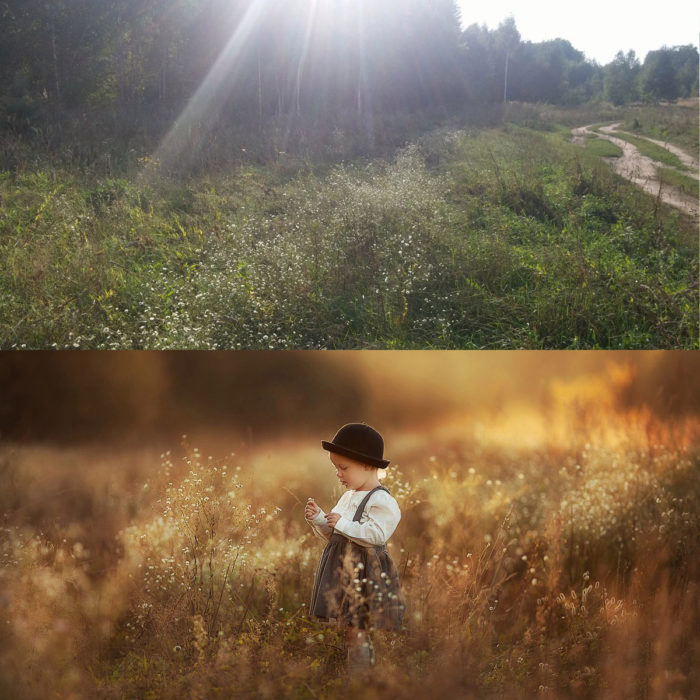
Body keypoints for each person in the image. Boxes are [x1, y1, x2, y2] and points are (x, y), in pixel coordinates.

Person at [304, 422, 405, 672]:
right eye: (336, 468)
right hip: (343, 571)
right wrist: (319, 519)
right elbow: (336, 535)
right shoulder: (348, 497)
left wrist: (344, 524)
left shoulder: (381, 500)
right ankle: (358, 673)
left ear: (368, 465)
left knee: (357, 627)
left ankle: (363, 679)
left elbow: (376, 535)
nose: (338, 474)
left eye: (343, 467)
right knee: (350, 628)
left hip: (365, 573)